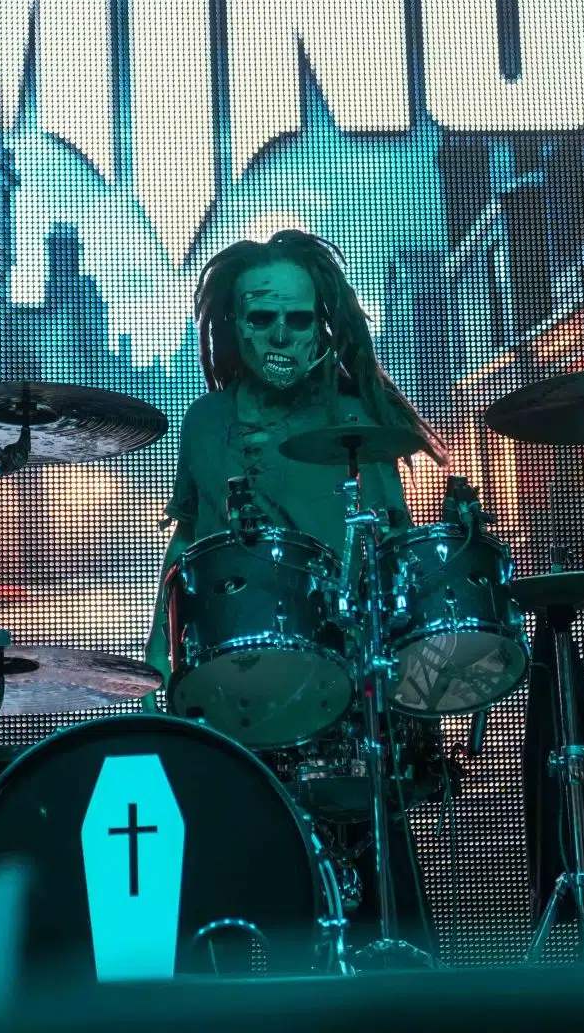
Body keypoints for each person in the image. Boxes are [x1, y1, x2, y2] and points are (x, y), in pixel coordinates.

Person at [145, 228, 447, 956]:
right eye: (262, 317)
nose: (280, 334)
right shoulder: (205, 421)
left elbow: (393, 551)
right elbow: (189, 540)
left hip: (338, 680)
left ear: (323, 325)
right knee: (238, 871)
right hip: (231, 683)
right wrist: (161, 654)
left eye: (298, 317)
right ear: (233, 324)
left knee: (370, 879)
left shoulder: (355, 421)